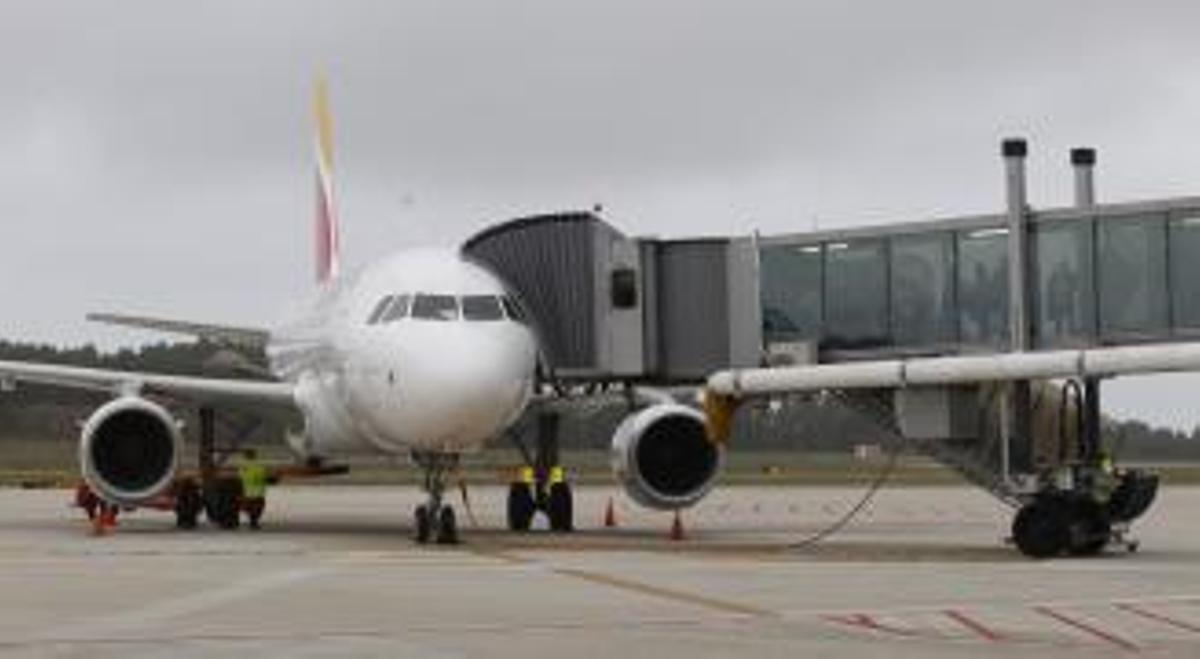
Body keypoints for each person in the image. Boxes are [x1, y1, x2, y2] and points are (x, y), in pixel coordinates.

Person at [237, 448, 268, 529]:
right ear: (255, 455)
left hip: (247, 491)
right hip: (258, 492)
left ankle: (252, 521)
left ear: (245, 456)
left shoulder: (243, 466)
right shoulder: (259, 466)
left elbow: (240, 476)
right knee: (257, 508)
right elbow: (263, 476)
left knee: (249, 508)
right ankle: (254, 522)